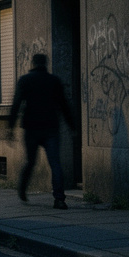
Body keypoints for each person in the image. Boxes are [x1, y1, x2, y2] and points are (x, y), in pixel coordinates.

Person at [7, 53, 77, 209]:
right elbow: (64, 105)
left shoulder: (25, 80)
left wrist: (10, 127)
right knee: (55, 163)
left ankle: (23, 189)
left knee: (30, 161)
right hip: (51, 127)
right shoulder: (54, 81)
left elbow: (16, 104)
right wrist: (72, 127)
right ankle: (59, 199)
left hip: (31, 128)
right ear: (46, 64)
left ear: (32, 63)